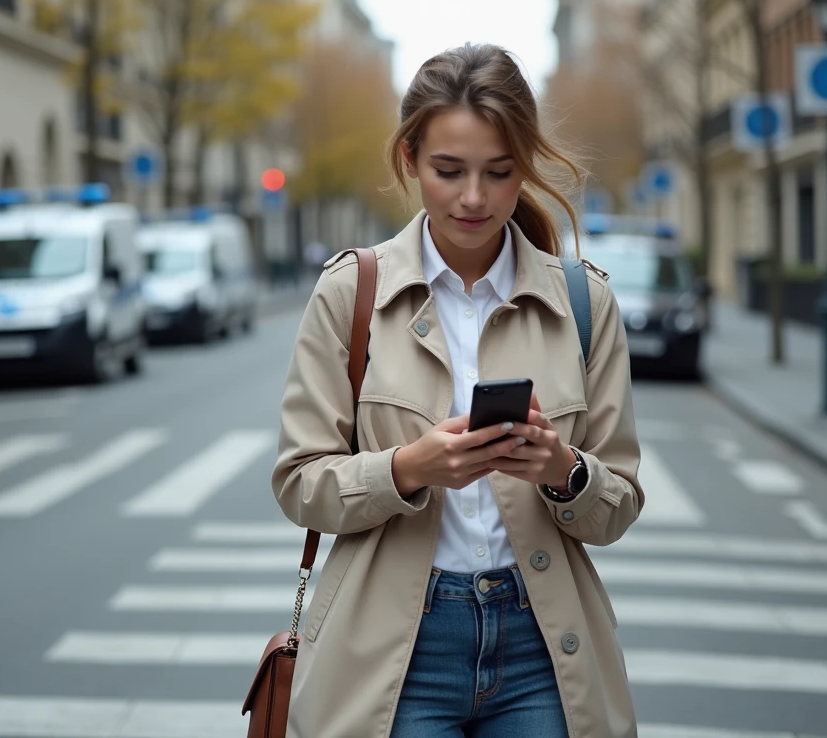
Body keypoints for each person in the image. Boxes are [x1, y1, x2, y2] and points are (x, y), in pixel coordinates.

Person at [272, 43, 643, 738]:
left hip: (543, 647)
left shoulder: (583, 302)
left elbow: (617, 505)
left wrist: (563, 472)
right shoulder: (351, 293)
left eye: (499, 173)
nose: (473, 197)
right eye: (449, 170)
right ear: (409, 159)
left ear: (523, 167)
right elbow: (298, 482)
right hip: (392, 649)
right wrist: (409, 469)